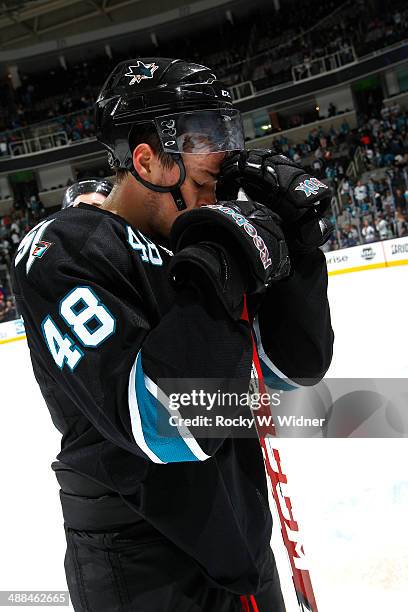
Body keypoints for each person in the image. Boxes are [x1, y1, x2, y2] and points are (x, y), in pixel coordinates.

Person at [11, 58, 334, 612]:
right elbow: (168, 425)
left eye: (227, 129)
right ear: (147, 159)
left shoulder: (192, 237)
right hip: (142, 565)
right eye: (206, 134)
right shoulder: (63, 249)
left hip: (238, 536)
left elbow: (289, 369)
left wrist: (299, 252)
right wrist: (222, 257)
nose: (228, 152)